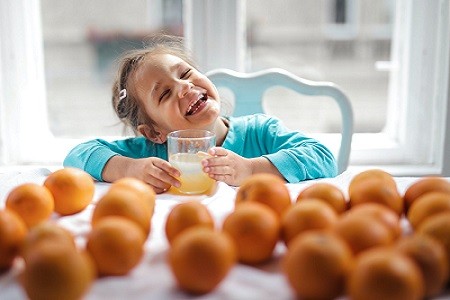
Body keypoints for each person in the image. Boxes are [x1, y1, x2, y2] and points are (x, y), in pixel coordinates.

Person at [64, 35, 337, 194]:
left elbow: (323, 157)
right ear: (154, 132)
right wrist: (128, 169)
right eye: (165, 94)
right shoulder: (150, 154)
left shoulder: (260, 132)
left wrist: (252, 169)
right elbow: (77, 155)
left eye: (185, 74)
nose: (184, 87)